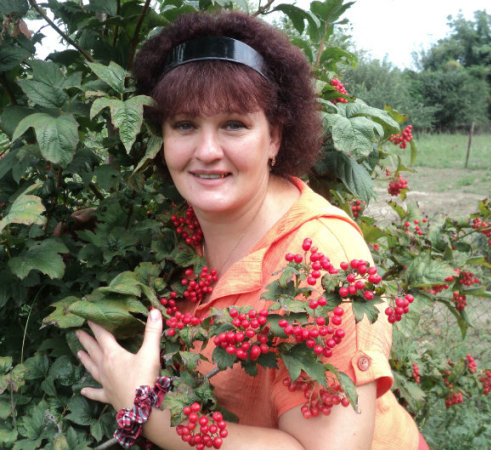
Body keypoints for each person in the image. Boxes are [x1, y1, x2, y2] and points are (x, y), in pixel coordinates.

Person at [75, 10, 428, 450]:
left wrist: (145, 411)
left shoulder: (322, 262)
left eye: (234, 125)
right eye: (184, 125)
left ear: (274, 138)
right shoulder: (179, 232)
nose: (207, 151)